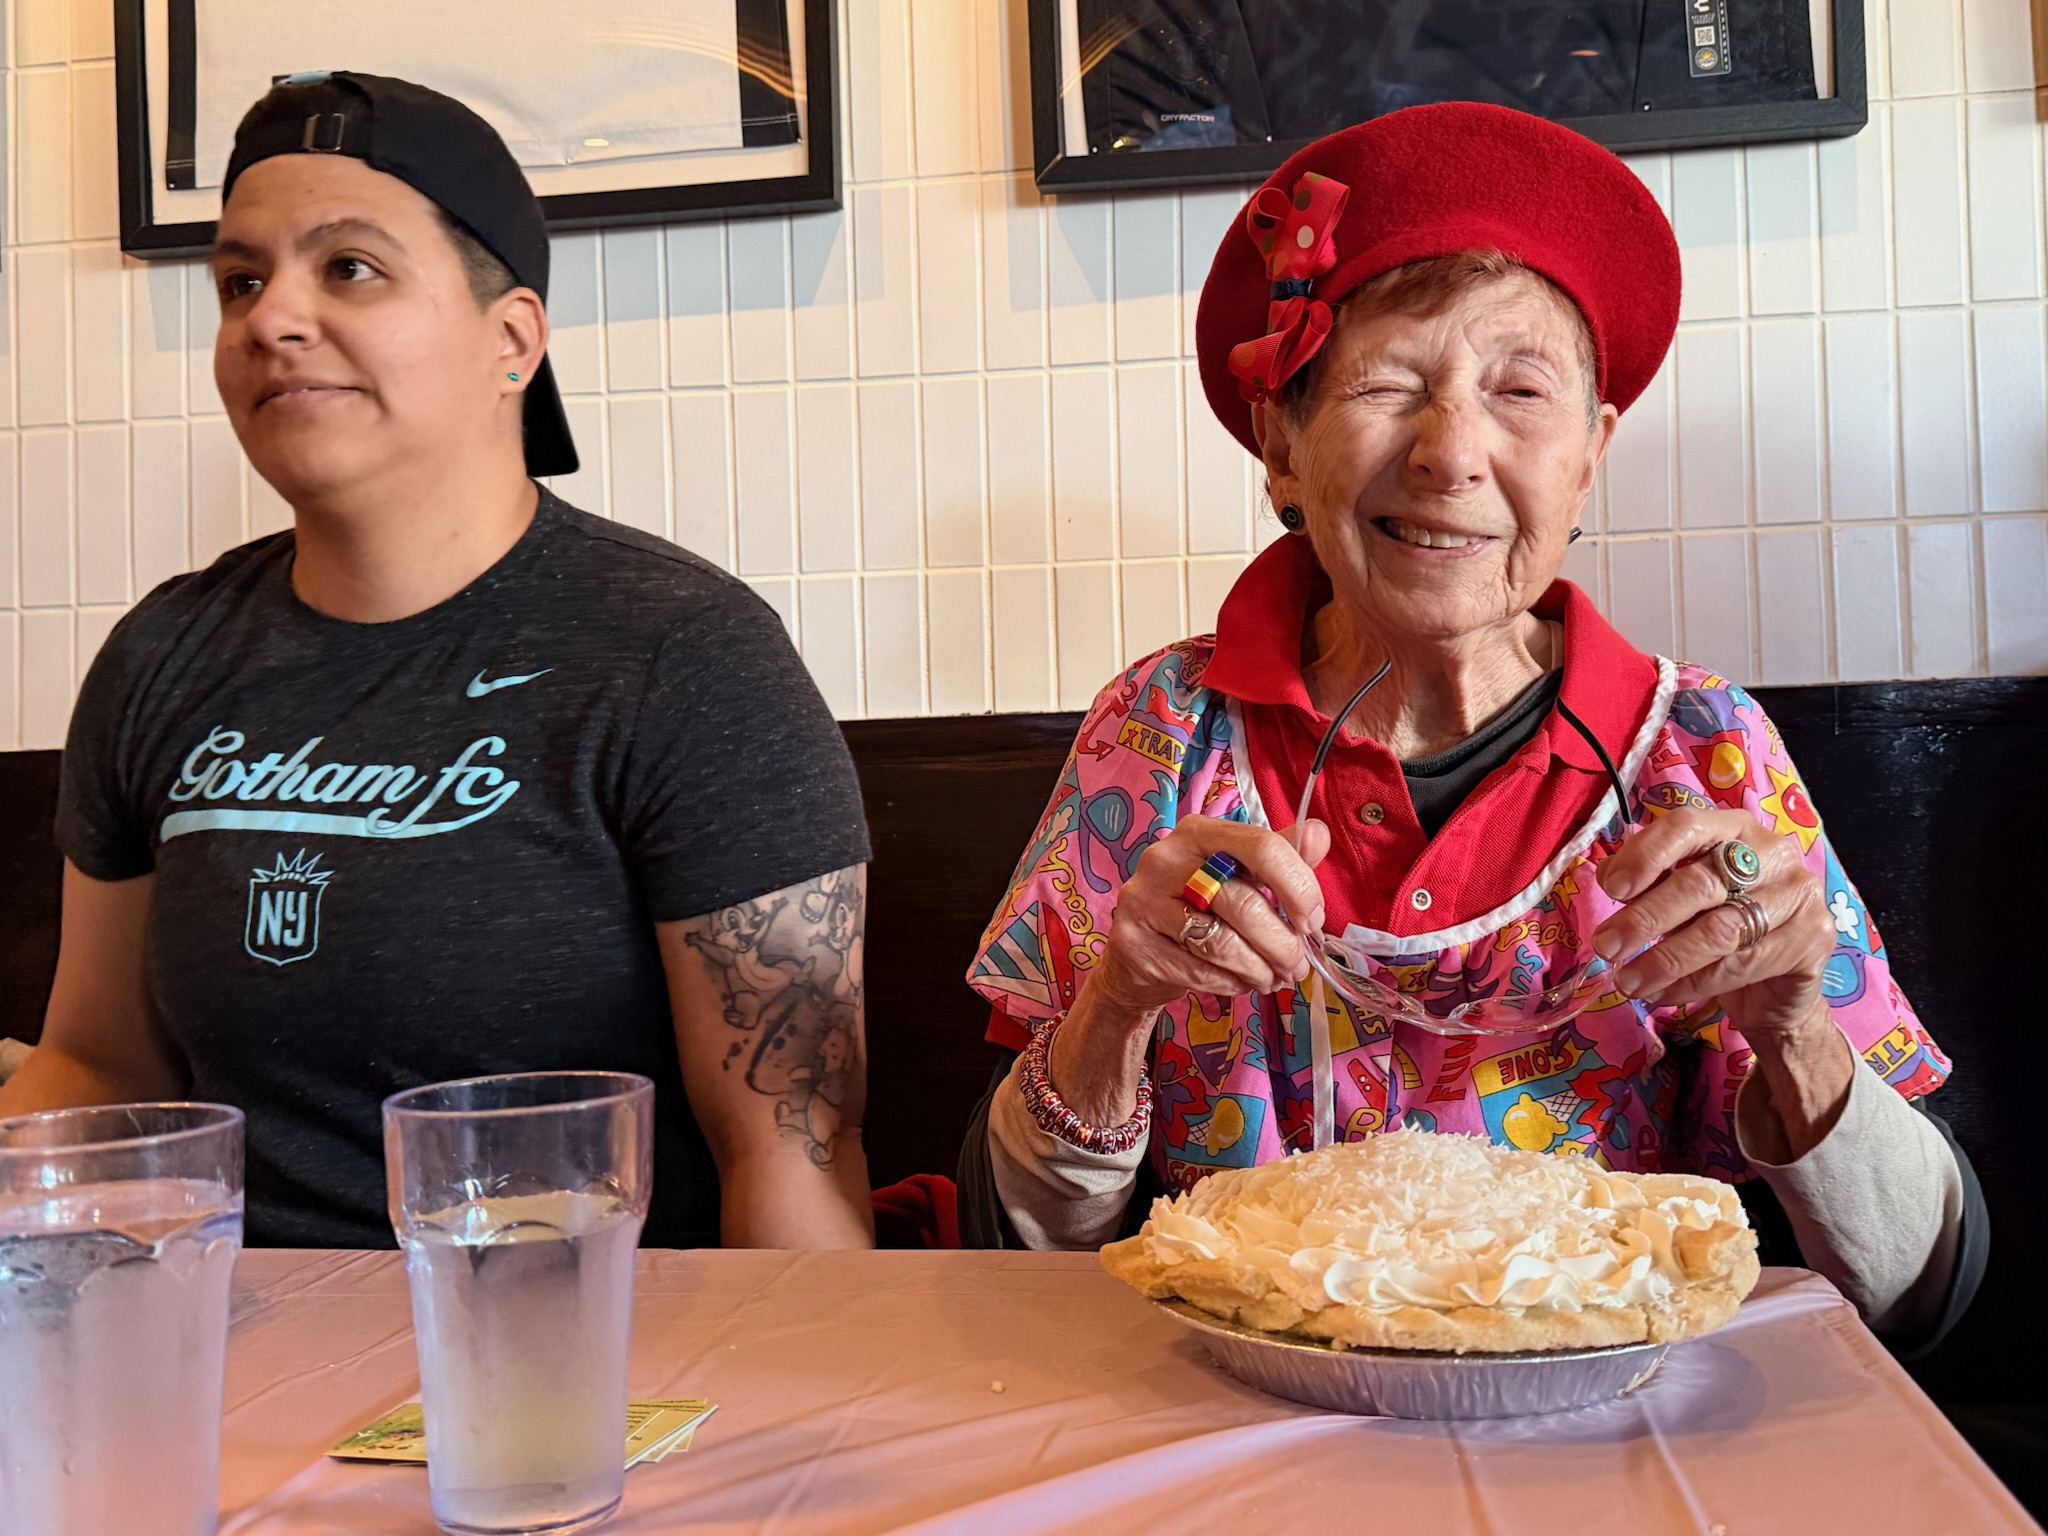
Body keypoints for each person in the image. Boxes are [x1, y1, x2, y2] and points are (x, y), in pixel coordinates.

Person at [960, 102, 1985, 1352]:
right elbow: (1013, 1249)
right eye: (1387, 383)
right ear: (1280, 446)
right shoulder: (1161, 733)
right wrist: (1114, 1008)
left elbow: (1919, 1293)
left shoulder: (1696, 753)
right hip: (1227, 1431)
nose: (1451, 453)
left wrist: (1793, 1026)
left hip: (1592, 1444)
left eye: (1519, 390)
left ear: (1590, 455)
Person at [0, 73, 874, 1251]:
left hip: (575, 1375)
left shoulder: (683, 655)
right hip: (237, 1358)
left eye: (348, 267)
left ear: (511, 339)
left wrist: (791, 1428)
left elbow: (785, 1152)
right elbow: (99, 1068)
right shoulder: (164, 652)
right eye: (241, 280)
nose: (271, 318)